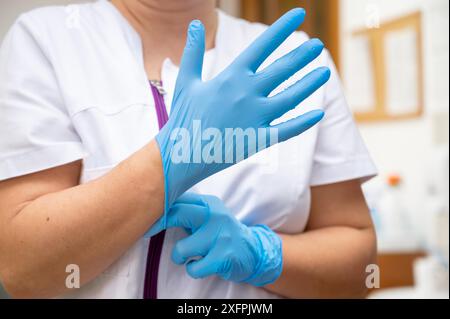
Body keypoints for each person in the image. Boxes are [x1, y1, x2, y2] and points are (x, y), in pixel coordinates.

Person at [0, 0, 377, 299]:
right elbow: (23, 271)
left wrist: (264, 254)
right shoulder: (47, 40)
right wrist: (171, 161)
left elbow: (359, 271)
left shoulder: (293, 61)